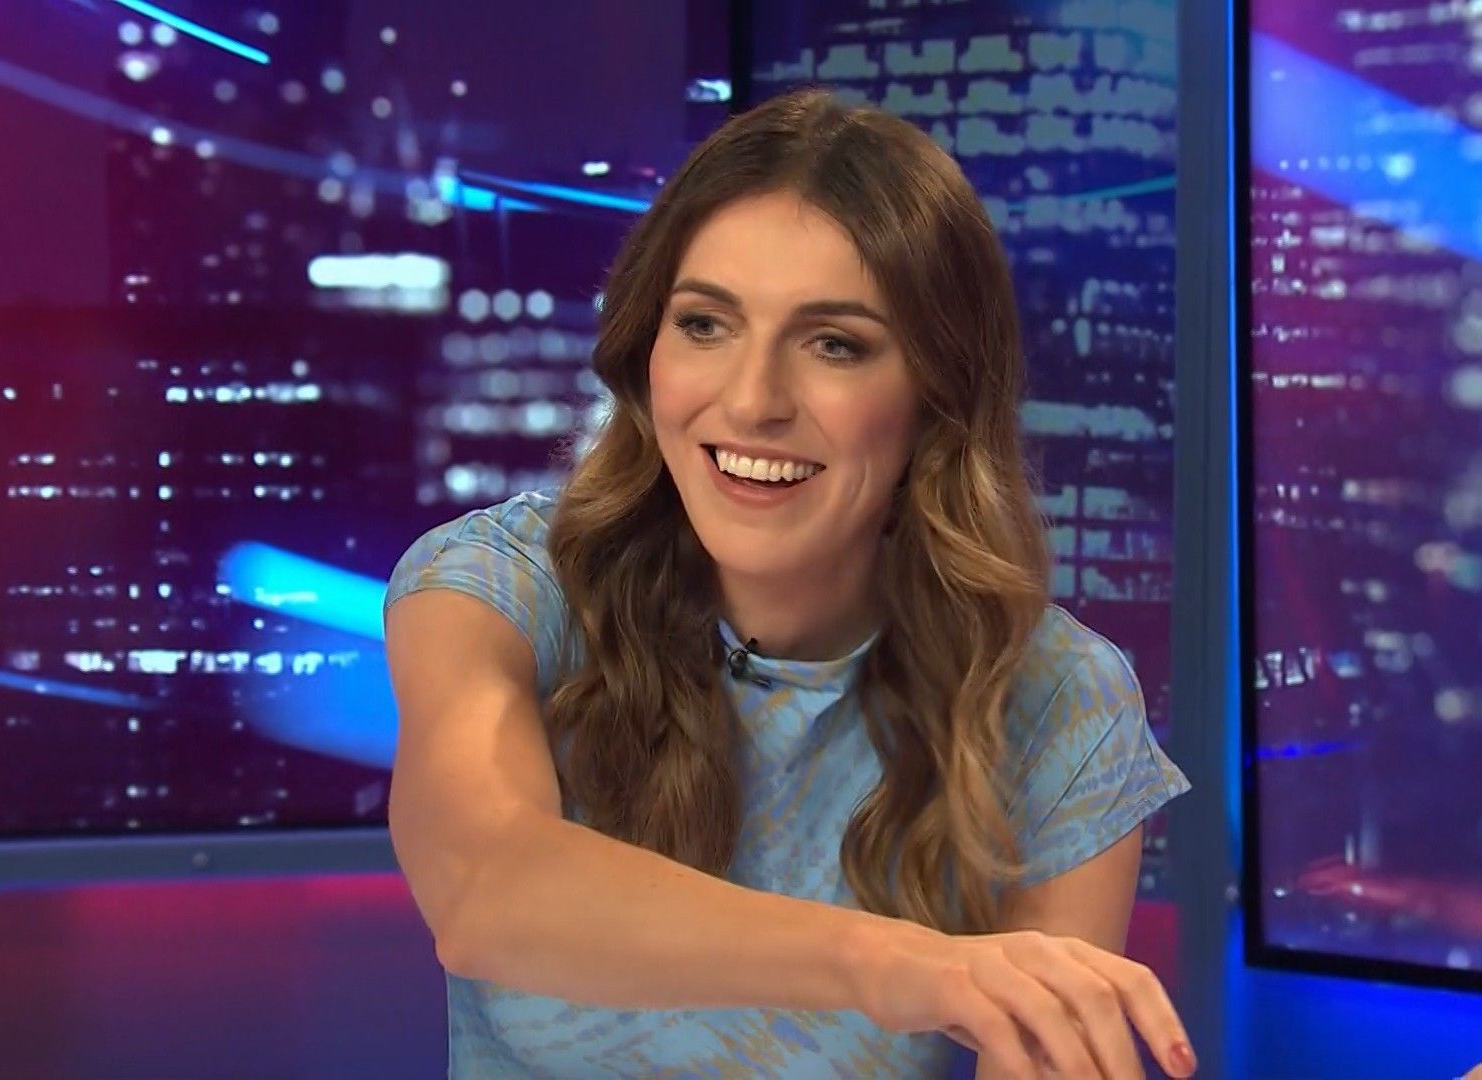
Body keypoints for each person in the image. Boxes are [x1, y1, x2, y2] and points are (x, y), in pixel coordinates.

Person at [382, 86, 1196, 1078]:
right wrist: (896, 964)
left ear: (936, 398)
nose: (753, 399)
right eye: (706, 324)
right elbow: (484, 890)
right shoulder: (500, 587)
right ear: (646, 352)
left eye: (834, 344)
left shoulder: (1059, 702)